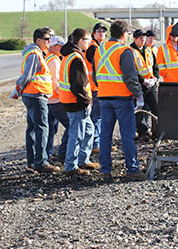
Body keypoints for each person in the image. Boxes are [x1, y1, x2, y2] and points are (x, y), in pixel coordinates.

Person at [93, 20, 145, 181]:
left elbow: (96, 76)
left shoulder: (99, 50)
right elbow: (130, 77)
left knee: (105, 135)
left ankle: (105, 171)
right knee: (127, 135)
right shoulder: (125, 51)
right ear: (124, 34)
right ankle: (132, 169)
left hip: (104, 97)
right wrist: (139, 95)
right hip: (122, 98)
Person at [11, 27, 60, 173]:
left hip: (34, 95)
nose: (49, 41)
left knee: (33, 128)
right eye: (47, 39)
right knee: (42, 129)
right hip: (36, 95)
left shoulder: (37, 53)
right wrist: (18, 89)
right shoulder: (34, 54)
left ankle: (33, 161)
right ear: (38, 40)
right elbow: (27, 76)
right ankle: (41, 162)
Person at [59, 28, 99, 176]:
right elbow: (78, 85)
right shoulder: (75, 58)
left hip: (72, 101)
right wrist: (86, 102)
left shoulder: (69, 56)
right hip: (76, 103)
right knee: (77, 135)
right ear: (81, 41)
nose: (89, 43)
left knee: (89, 130)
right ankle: (71, 166)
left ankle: (83, 159)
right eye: (88, 40)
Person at [130, 29, 159, 141]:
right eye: (140, 38)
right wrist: (143, 81)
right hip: (139, 86)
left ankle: (157, 132)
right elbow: (131, 71)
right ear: (135, 39)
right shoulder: (130, 51)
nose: (143, 40)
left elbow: (155, 66)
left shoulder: (148, 51)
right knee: (140, 112)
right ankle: (143, 133)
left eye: (144, 38)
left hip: (151, 85)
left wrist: (155, 79)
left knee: (156, 109)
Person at [45, 35, 70, 161]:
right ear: (54, 47)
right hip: (55, 100)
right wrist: (65, 96)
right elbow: (56, 83)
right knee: (71, 124)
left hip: (48, 100)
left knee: (49, 129)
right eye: (60, 46)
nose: (62, 49)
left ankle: (47, 154)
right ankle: (63, 152)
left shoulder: (48, 58)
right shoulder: (54, 61)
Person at [85, 22, 108, 154]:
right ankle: (95, 144)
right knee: (97, 117)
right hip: (94, 87)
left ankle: (98, 142)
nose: (101, 33)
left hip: (100, 86)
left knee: (100, 116)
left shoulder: (100, 46)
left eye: (103, 31)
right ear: (93, 34)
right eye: (98, 31)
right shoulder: (93, 48)